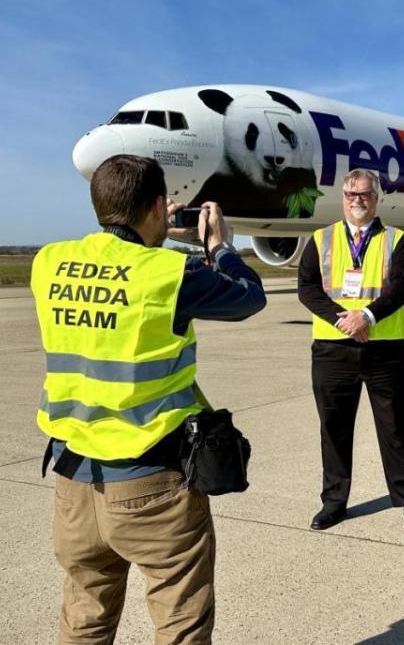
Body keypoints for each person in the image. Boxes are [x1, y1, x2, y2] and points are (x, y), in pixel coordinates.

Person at [30, 154, 266, 644]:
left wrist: (151, 232)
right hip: (151, 482)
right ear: (159, 206)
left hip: (74, 481)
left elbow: (109, 272)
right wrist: (219, 246)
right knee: (181, 619)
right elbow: (247, 296)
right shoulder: (167, 272)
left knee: (84, 616)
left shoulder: (48, 262)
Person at [297, 167, 404, 530]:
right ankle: (334, 502)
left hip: (383, 349)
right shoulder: (321, 238)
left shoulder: (396, 239)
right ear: (343, 198)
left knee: (395, 427)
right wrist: (343, 317)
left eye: (366, 194)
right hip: (332, 349)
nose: (358, 200)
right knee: (334, 429)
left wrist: (367, 316)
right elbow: (307, 287)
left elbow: (401, 288)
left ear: (376, 198)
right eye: (352, 194)